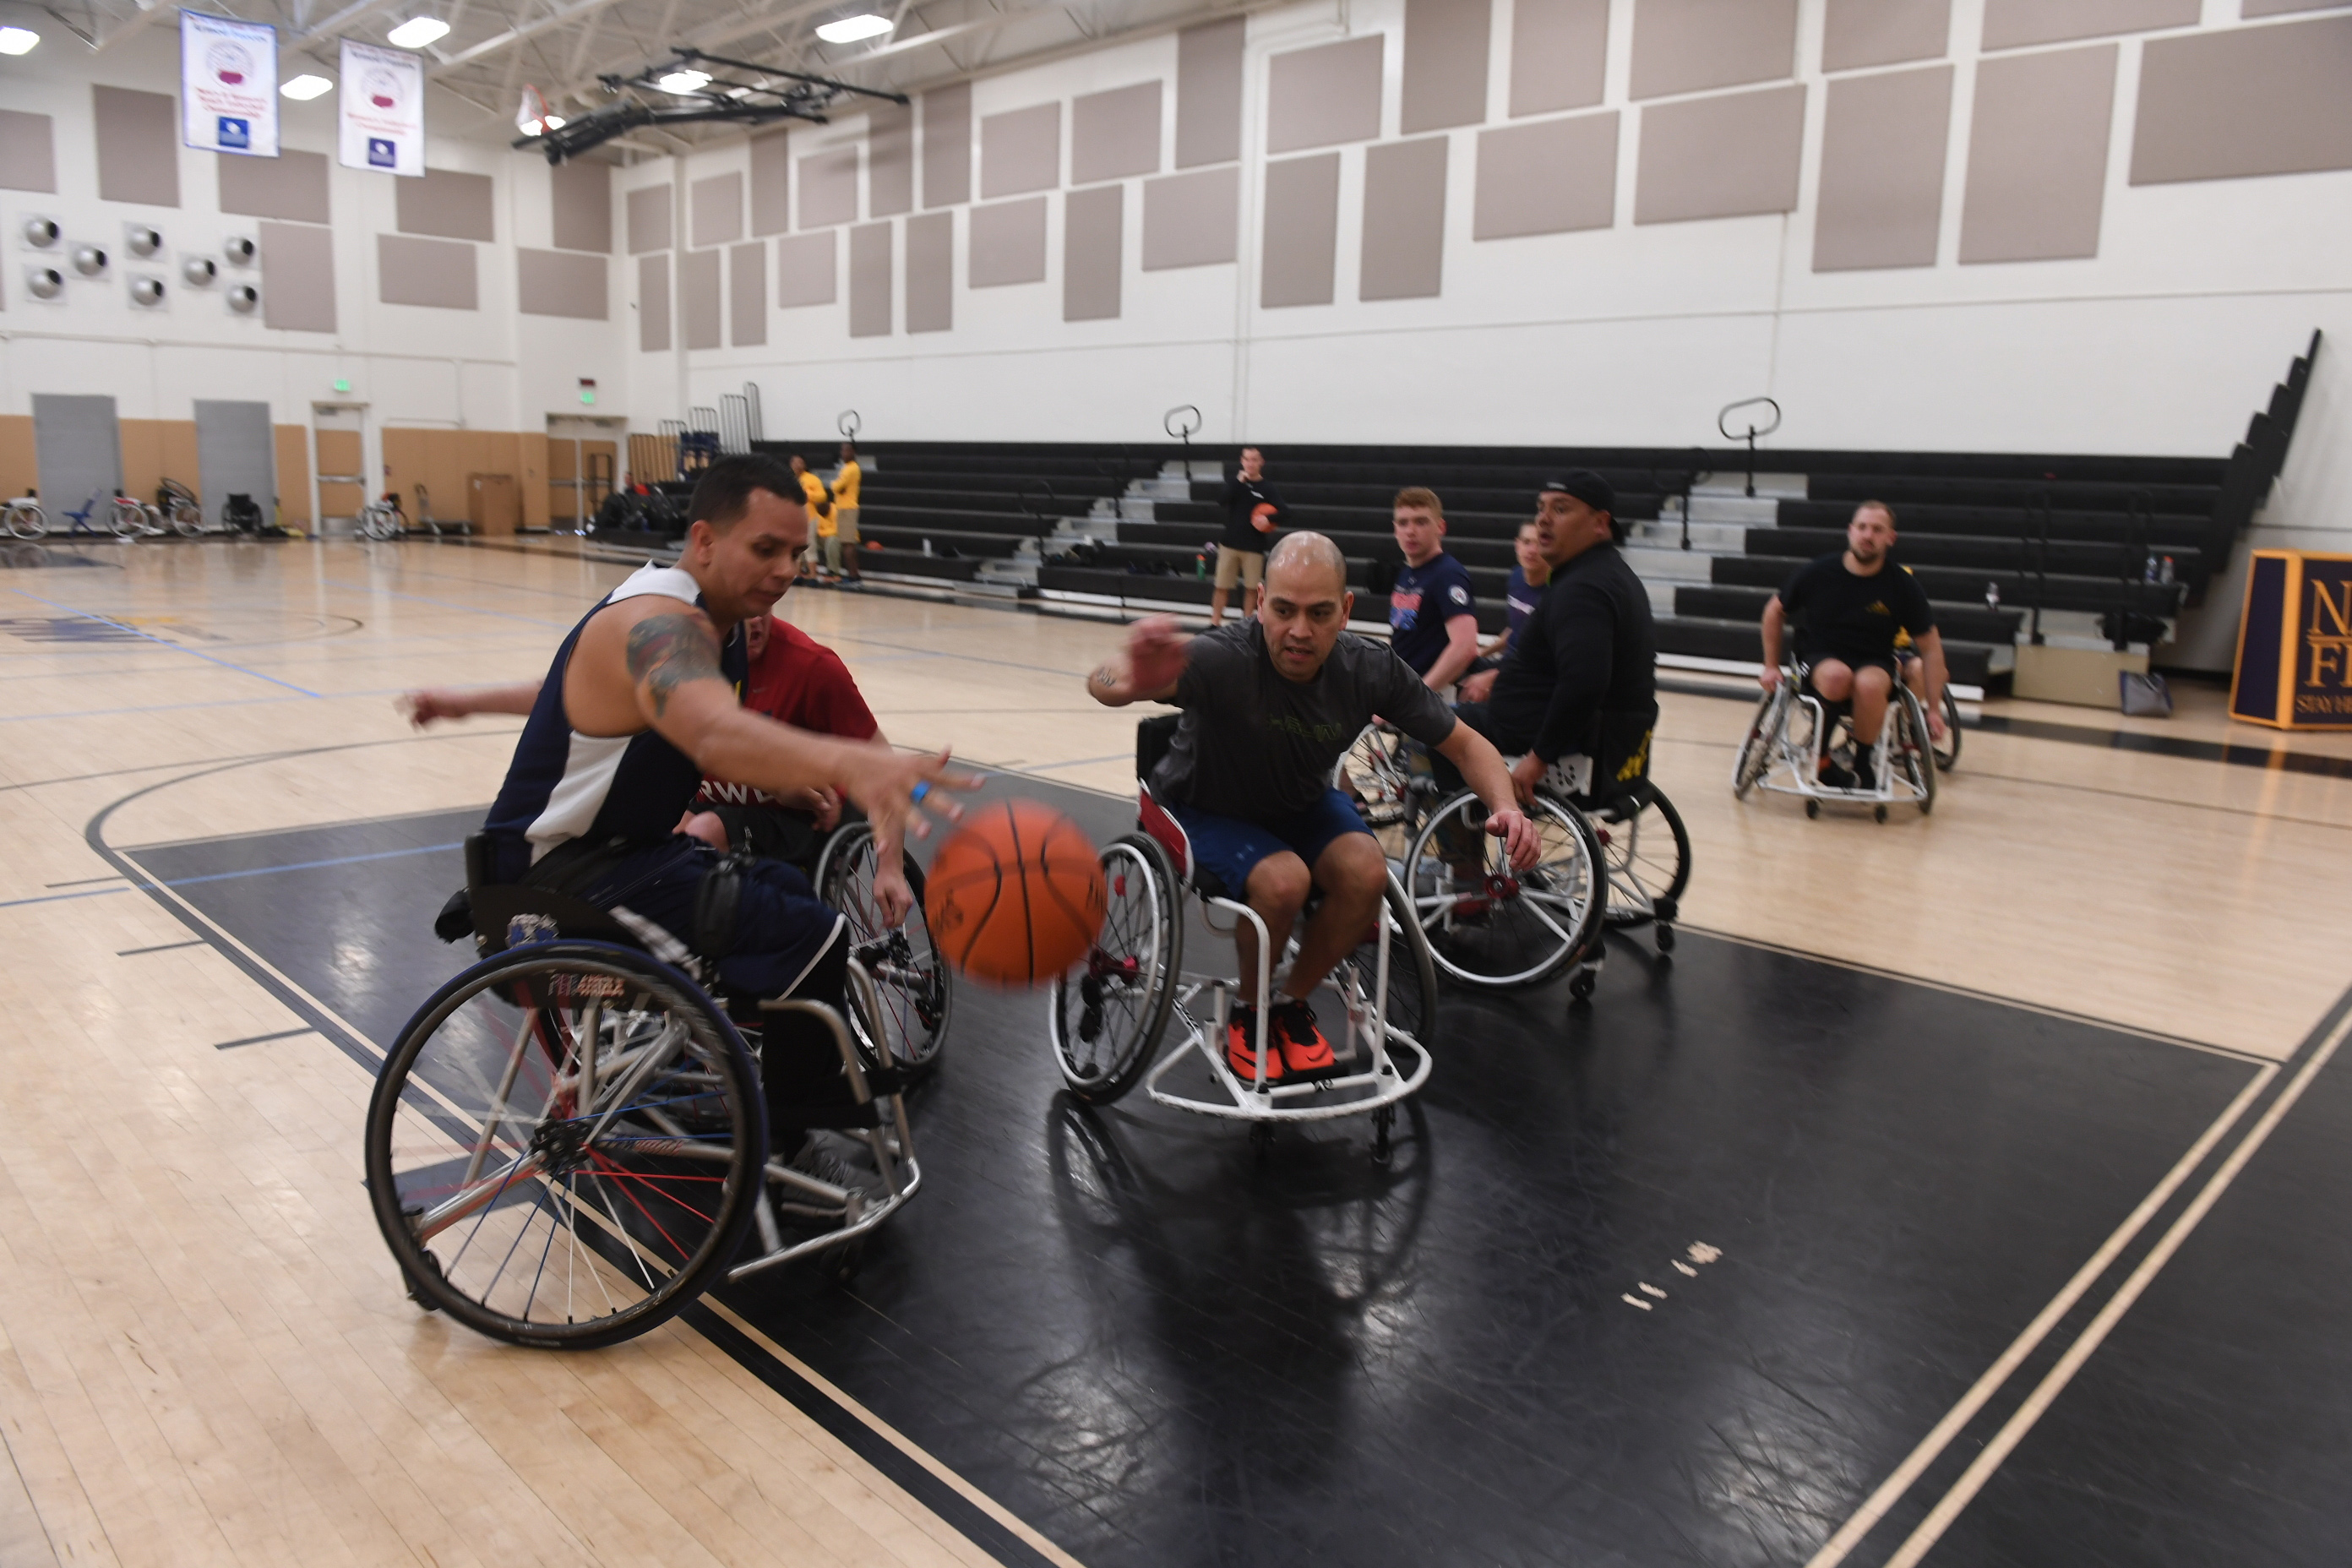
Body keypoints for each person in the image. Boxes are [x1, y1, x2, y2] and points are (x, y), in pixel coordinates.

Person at [452, 454, 968, 1163]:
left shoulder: (717, 626)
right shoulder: (659, 621)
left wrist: (790, 781)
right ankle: (786, 1147)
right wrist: (851, 761)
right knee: (810, 935)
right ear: (704, 541)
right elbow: (712, 732)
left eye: (797, 553)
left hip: (616, 860)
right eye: (765, 549)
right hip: (561, 881)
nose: (787, 569)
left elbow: (704, 742)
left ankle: (768, 1091)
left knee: (787, 894)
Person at [1088, 532, 1538, 1084]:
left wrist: (1506, 806)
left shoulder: (1370, 669)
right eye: (1283, 610)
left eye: (1320, 613)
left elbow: (1467, 745)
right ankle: (1249, 1016)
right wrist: (1131, 678)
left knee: (1367, 872)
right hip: (1200, 805)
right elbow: (1102, 683)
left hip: (1297, 802)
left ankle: (1288, 1004)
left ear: (1345, 610)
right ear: (1259, 604)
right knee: (1284, 882)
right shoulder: (1223, 656)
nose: (1300, 631)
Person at [406, 605, 912, 925]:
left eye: (766, 608)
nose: (755, 621)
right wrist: (464, 704)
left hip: (810, 817)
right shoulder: (688, 653)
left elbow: (882, 765)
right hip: (729, 803)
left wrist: (890, 867)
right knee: (648, 839)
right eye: (744, 611)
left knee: (701, 834)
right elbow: (559, 693)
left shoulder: (811, 667)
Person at [1444, 473, 1658, 808]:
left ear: (1600, 523)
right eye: (1541, 508)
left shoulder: (1584, 590)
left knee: (1432, 729)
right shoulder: (1608, 575)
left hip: (1535, 739)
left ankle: (1461, 856)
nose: (1543, 518)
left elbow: (1585, 683)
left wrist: (1539, 757)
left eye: (1561, 509)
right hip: (1603, 738)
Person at [1759, 500, 1948, 787]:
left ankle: (1863, 763)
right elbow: (1774, 611)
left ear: (1890, 538)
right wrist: (1771, 666)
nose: (1867, 535)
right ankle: (1820, 758)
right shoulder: (1820, 572)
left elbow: (1931, 648)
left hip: (1873, 658)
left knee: (1870, 685)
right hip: (1819, 655)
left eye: (1877, 530)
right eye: (1862, 527)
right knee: (1838, 676)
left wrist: (1933, 710)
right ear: (1850, 531)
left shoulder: (1902, 585)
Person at [1385, 487, 1481, 692]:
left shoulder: (1448, 574)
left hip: (1431, 696)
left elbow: (1465, 647)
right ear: (1395, 529)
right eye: (1403, 523)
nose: (1410, 531)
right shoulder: (1406, 573)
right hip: (1402, 688)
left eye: (1421, 522)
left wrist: (1418, 697)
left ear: (1441, 527)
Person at [1462, 520, 1550, 696]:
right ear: (1517, 545)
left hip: (1530, 673)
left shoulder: (1555, 594)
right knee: (1458, 662)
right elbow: (1515, 629)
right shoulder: (1516, 576)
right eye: (1526, 542)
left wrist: (1494, 677)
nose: (1532, 550)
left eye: (1539, 544)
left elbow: (1545, 659)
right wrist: (1481, 653)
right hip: (1507, 662)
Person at [1211, 446, 1288, 626]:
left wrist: (1267, 518)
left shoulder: (1267, 488)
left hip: (1254, 545)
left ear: (1261, 462)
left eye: (1254, 460)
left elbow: (1285, 512)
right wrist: (1238, 482)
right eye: (1247, 459)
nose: (1250, 463)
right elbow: (1221, 500)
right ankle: (1214, 623)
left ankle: (1246, 624)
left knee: (1251, 588)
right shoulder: (1234, 483)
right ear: (1242, 461)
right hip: (1229, 543)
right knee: (1221, 585)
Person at [791, 455, 836, 580]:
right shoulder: (790, 480)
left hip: (810, 517)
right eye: (795, 463)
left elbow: (822, 496)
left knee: (809, 546)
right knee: (797, 547)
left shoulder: (812, 479)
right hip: (796, 519)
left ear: (804, 465)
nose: (798, 465)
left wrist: (807, 493)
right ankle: (798, 574)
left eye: (800, 462)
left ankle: (813, 575)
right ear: (791, 465)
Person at [830, 441, 863, 585]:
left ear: (854, 452)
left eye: (847, 450)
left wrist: (834, 485)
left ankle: (853, 576)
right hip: (844, 507)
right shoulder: (848, 468)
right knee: (846, 544)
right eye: (842, 450)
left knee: (848, 544)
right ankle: (853, 575)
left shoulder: (850, 469)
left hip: (847, 508)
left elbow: (837, 486)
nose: (844, 453)